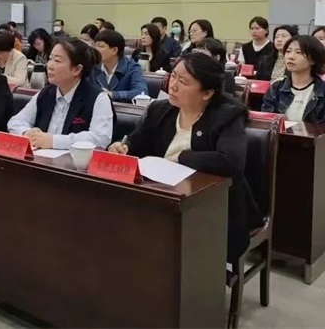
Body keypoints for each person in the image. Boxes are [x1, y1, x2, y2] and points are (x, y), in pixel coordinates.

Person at [109, 53, 256, 263]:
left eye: (184, 82)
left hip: (213, 207)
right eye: (173, 76)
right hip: (162, 197)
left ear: (207, 93)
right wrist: (123, 147)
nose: (173, 86)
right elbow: (136, 141)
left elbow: (230, 162)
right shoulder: (160, 109)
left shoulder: (227, 116)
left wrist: (181, 156)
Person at [9, 39, 114, 149]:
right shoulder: (46, 93)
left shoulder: (98, 98)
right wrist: (26, 132)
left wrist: (54, 141)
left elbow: (100, 138)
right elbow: (15, 121)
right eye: (50, 59)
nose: (49, 66)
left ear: (77, 70)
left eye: (57, 61)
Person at [262, 36, 325, 129]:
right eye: (288, 51)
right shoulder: (276, 88)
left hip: (312, 138)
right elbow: (266, 122)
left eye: (298, 52)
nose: (290, 56)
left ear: (313, 59)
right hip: (280, 137)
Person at [91, 29, 148, 101]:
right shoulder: (93, 66)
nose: (95, 50)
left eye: (100, 46)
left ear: (114, 50)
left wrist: (113, 95)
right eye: (95, 46)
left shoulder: (131, 67)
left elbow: (141, 92)